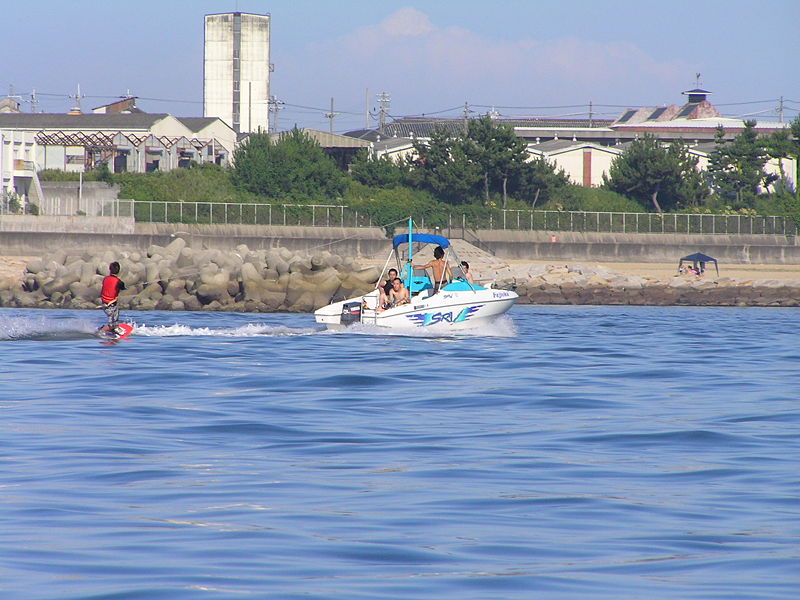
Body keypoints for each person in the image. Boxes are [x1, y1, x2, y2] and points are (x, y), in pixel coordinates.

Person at [100, 261, 126, 333]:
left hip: (105, 303)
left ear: (110, 270)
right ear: (119, 271)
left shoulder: (105, 278)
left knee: (115, 317)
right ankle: (100, 332)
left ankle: (116, 328)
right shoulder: (119, 282)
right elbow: (122, 287)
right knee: (111, 324)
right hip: (110, 305)